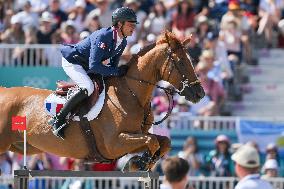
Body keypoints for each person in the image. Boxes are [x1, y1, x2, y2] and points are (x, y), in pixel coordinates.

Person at [50, 7, 138, 139]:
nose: (133, 27)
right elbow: (95, 66)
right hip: (73, 62)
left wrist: (119, 72)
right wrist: (116, 71)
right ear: (119, 24)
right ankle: (58, 119)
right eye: (130, 24)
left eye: (134, 25)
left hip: (88, 65)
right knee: (88, 87)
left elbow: (113, 67)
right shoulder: (103, 36)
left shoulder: (123, 41)